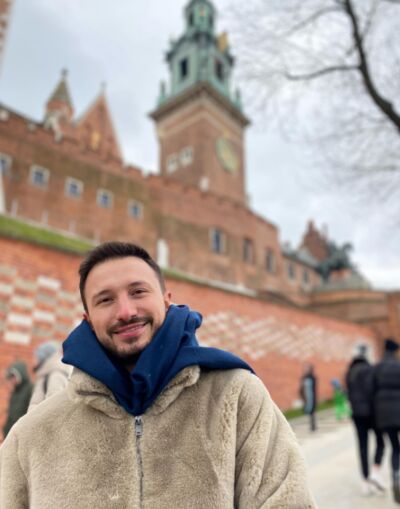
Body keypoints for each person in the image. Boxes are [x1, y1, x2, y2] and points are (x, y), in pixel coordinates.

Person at [0, 241, 316, 508]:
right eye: (106, 300)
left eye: (138, 292)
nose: (126, 311)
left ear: (166, 301)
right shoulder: (31, 437)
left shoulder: (235, 397)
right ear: (88, 319)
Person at [345, 344, 385, 495]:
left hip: (357, 414)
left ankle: (365, 480)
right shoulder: (370, 369)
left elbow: (348, 393)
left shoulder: (350, 372)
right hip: (372, 413)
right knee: (381, 442)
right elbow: (372, 392)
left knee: (362, 446)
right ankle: (375, 470)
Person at [373, 338, 400, 504]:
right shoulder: (398, 366)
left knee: (395, 447)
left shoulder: (377, 368)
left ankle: (396, 476)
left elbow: (371, 391)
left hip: (383, 414)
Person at [28, 340, 72, 411]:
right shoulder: (46, 374)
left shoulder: (55, 375)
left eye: (36, 357)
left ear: (44, 357)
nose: (33, 360)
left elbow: (54, 408)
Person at [2, 361, 32, 439]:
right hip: (11, 434)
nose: (12, 380)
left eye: (14, 376)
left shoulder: (30, 389)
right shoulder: (15, 391)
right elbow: (11, 414)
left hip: (21, 435)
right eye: (11, 377)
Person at [300, 363, 317, 431]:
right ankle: (312, 425)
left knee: (312, 411)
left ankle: (313, 426)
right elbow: (301, 387)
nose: (305, 369)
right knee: (308, 411)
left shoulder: (312, 377)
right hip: (306, 396)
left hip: (311, 396)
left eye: (307, 368)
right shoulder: (304, 377)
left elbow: (314, 388)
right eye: (305, 368)